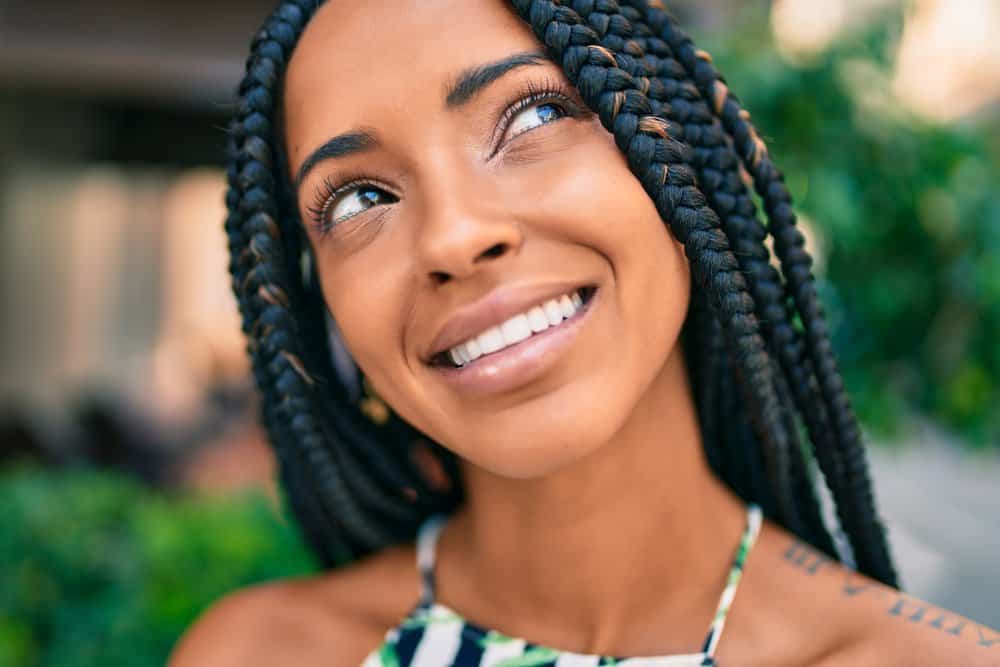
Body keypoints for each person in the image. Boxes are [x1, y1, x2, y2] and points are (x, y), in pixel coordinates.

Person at [170, 1, 1000, 665]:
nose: (454, 236)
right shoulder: (257, 652)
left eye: (530, 115)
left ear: (672, 155)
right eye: (358, 200)